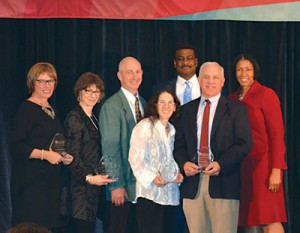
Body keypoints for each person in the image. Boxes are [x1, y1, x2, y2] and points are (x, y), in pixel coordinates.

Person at [174, 62, 253, 233]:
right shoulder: (186, 110)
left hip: (224, 184)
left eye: (215, 77)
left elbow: (244, 144)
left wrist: (221, 164)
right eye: (206, 77)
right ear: (199, 80)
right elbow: (178, 146)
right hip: (193, 186)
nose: (210, 81)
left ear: (223, 81)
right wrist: (184, 163)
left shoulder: (237, 110)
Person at [10, 62, 73, 232]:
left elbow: (49, 141)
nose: (48, 86)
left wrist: (62, 155)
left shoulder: (52, 109)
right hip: (31, 186)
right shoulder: (26, 109)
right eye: (42, 81)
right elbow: (16, 147)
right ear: (32, 83)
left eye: (51, 81)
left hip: (50, 185)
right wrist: (45, 155)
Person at [228, 54, 287, 233]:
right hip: (242, 168)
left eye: (248, 69)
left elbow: (277, 135)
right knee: (249, 220)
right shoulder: (230, 99)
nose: (243, 73)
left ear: (254, 72)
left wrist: (276, 169)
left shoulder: (266, 94)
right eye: (239, 69)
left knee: (270, 218)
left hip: (264, 167)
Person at [61, 72, 116, 233]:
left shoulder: (93, 117)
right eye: (88, 91)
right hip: (79, 191)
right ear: (79, 92)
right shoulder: (75, 117)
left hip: (93, 189)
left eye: (96, 91)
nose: (93, 95)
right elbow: (72, 156)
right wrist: (89, 178)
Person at [99, 56, 147, 233]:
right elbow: (110, 148)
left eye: (137, 71)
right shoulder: (111, 106)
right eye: (129, 72)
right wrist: (116, 184)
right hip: (122, 189)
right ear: (119, 75)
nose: (134, 76)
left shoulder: (144, 104)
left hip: (140, 188)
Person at [128, 90, 184, 233]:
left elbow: (171, 159)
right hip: (150, 195)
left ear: (175, 107)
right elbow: (135, 158)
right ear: (155, 105)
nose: (166, 106)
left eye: (170, 103)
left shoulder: (172, 130)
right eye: (162, 102)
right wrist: (152, 178)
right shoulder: (145, 126)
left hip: (170, 195)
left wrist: (177, 173)